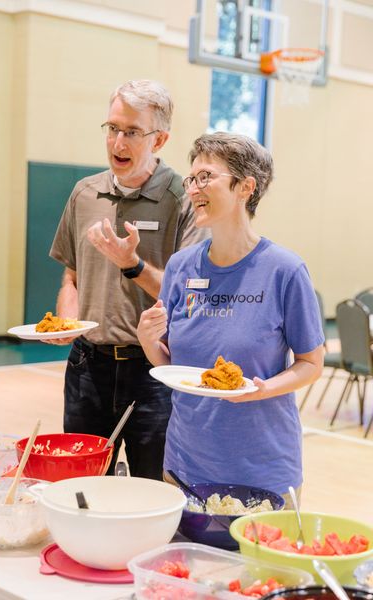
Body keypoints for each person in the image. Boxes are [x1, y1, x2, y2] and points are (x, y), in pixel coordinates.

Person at [137, 132, 325, 503]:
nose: (193, 189)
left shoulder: (284, 270)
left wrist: (263, 389)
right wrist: (148, 341)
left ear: (245, 187)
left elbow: (311, 363)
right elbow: (174, 366)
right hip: (185, 466)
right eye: (192, 179)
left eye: (206, 176)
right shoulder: (181, 266)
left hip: (263, 470)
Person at [48, 80, 206, 480]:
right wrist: (67, 319)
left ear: (160, 139)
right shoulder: (85, 193)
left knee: (151, 488)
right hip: (88, 366)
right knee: (81, 486)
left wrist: (132, 263)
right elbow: (72, 275)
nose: (118, 141)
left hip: (153, 371)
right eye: (113, 128)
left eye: (132, 132)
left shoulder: (184, 200)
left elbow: (187, 298)